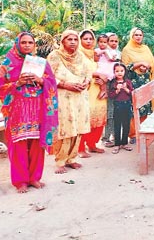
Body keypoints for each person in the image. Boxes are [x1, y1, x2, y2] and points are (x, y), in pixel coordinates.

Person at [0, 32, 58, 193]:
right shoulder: (7, 64)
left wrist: (41, 80)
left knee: (36, 143)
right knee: (19, 144)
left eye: (30, 42)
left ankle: (34, 178)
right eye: (24, 42)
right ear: (17, 44)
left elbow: (52, 83)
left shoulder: (41, 63)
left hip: (38, 109)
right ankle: (20, 181)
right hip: (17, 111)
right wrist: (17, 83)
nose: (27, 45)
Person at [47, 30, 92, 174]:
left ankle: (72, 158)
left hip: (80, 97)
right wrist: (65, 84)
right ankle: (60, 160)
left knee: (77, 127)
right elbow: (47, 76)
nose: (73, 42)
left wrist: (86, 82)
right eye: (69, 39)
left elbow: (88, 72)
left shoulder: (81, 56)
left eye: (75, 39)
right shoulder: (54, 56)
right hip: (63, 97)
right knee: (65, 127)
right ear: (63, 41)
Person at [121, 27, 154, 144]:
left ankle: (143, 131)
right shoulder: (127, 49)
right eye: (136, 35)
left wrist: (146, 67)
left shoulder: (145, 48)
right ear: (132, 36)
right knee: (134, 107)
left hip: (145, 80)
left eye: (140, 35)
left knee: (145, 106)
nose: (138, 37)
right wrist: (138, 64)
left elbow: (152, 63)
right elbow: (124, 67)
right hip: (133, 82)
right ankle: (133, 134)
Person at [77, 29, 108, 158]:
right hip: (86, 90)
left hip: (98, 88)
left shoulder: (95, 54)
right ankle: (80, 148)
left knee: (99, 117)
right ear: (80, 40)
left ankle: (92, 144)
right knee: (85, 118)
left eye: (91, 39)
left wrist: (104, 82)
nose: (89, 41)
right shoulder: (77, 54)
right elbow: (79, 71)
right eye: (85, 39)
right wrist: (97, 74)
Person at [108, 63, 133, 154]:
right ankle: (117, 144)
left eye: (121, 71)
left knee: (126, 125)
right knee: (117, 125)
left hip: (127, 105)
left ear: (125, 71)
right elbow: (111, 95)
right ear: (114, 72)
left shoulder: (128, 81)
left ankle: (124, 143)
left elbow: (132, 94)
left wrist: (126, 89)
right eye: (117, 71)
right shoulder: (113, 83)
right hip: (117, 105)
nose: (119, 73)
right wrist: (117, 90)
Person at [102, 32, 121, 145]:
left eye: (115, 41)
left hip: (116, 84)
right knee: (108, 112)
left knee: (115, 111)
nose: (113, 43)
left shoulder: (119, 53)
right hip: (106, 84)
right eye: (111, 41)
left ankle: (114, 136)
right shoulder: (103, 54)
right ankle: (106, 138)